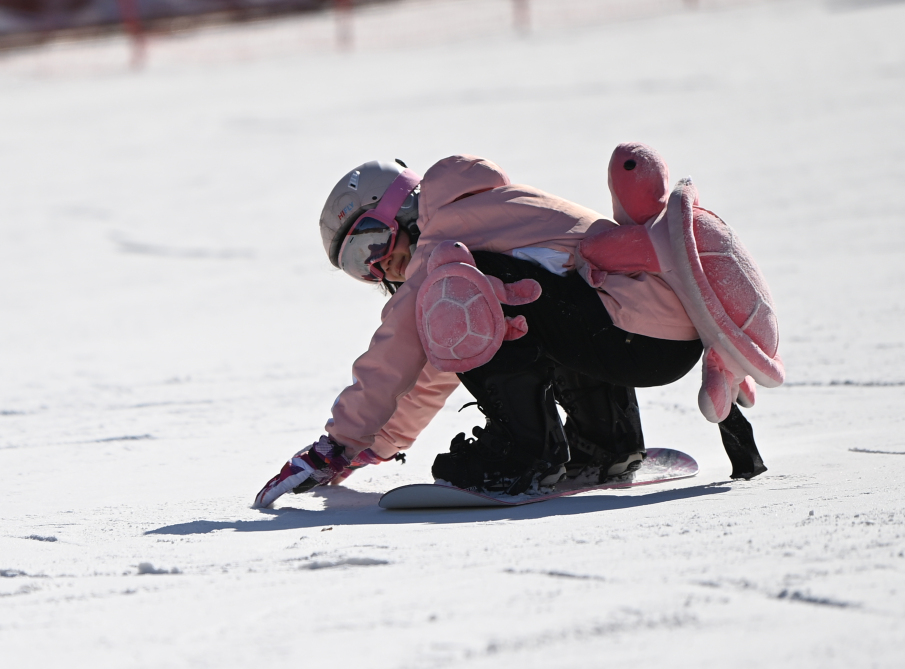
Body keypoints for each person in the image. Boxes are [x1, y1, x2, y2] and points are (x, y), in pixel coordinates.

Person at [254, 147, 772, 508]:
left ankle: (525, 454)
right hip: (658, 342)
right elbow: (442, 359)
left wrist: (339, 444)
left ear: (398, 211)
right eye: (356, 267)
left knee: (469, 288)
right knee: (485, 303)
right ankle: (607, 445)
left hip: (631, 337)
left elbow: (396, 351)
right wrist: (378, 444)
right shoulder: (489, 211)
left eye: (369, 244)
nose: (376, 269)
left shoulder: (446, 238)